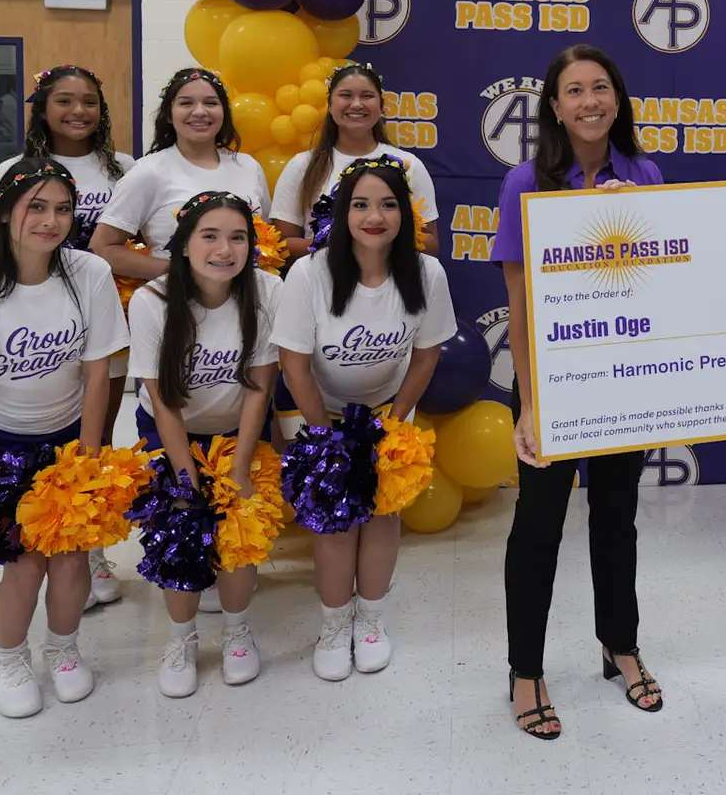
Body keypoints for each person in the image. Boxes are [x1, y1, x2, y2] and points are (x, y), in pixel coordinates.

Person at [494, 45, 665, 739]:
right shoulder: (526, 182)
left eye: (601, 87)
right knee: (537, 529)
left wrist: (634, 224)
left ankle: (617, 645)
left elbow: (661, 285)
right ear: (555, 107)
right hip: (554, 388)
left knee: (616, 519)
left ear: (617, 100)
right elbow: (520, 305)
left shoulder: (646, 175)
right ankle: (525, 669)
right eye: (574, 91)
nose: (589, 100)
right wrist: (531, 405)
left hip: (623, 382)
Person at [0, 158, 127, 718]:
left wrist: (85, 459)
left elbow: (96, 375)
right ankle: (10, 659)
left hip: (68, 441)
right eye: (35, 206)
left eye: (62, 208)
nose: (50, 220)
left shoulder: (90, 274)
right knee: (25, 564)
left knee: (69, 558)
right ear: (4, 211)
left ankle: (63, 649)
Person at [274, 159, 455, 682]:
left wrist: (392, 426)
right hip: (317, 413)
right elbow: (294, 364)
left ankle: (371, 619)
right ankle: (334, 624)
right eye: (360, 204)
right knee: (333, 523)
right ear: (341, 213)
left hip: (386, 412)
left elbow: (426, 355)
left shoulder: (427, 273)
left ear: (406, 214)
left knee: (381, 514)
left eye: (388, 204)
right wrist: (328, 439)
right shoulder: (309, 272)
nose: (374, 215)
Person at [0, 65, 134, 607]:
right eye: (64, 101)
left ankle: (88, 543)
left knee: (97, 430)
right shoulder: (13, 170)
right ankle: (47, 540)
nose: (78, 111)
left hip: (107, 317)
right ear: (41, 108)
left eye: (89, 101)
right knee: (49, 436)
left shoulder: (124, 168)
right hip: (38, 329)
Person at [126, 191, 282, 696]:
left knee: (240, 528)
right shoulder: (151, 301)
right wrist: (188, 481)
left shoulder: (267, 289)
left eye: (238, 237)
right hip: (170, 432)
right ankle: (181, 638)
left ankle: (238, 633)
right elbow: (163, 402)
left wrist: (238, 470)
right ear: (184, 245)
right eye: (209, 236)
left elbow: (259, 388)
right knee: (180, 527)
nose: (225, 249)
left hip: (238, 430)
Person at [90, 67, 271, 285]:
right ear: (169, 113)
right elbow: (102, 247)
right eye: (186, 103)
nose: (200, 112)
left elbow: (266, 237)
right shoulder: (149, 171)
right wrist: (182, 273)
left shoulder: (248, 166)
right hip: (176, 304)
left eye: (211, 103)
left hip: (246, 300)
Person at [271, 62, 440, 259]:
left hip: (391, 283)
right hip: (323, 282)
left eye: (367, 96)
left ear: (381, 107)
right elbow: (281, 245)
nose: (357, 104)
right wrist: (338, 245)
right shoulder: (303, 165)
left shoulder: (408, 165)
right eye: (346, 95)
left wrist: (380, 239)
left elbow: (430, 243)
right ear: (330, 105)